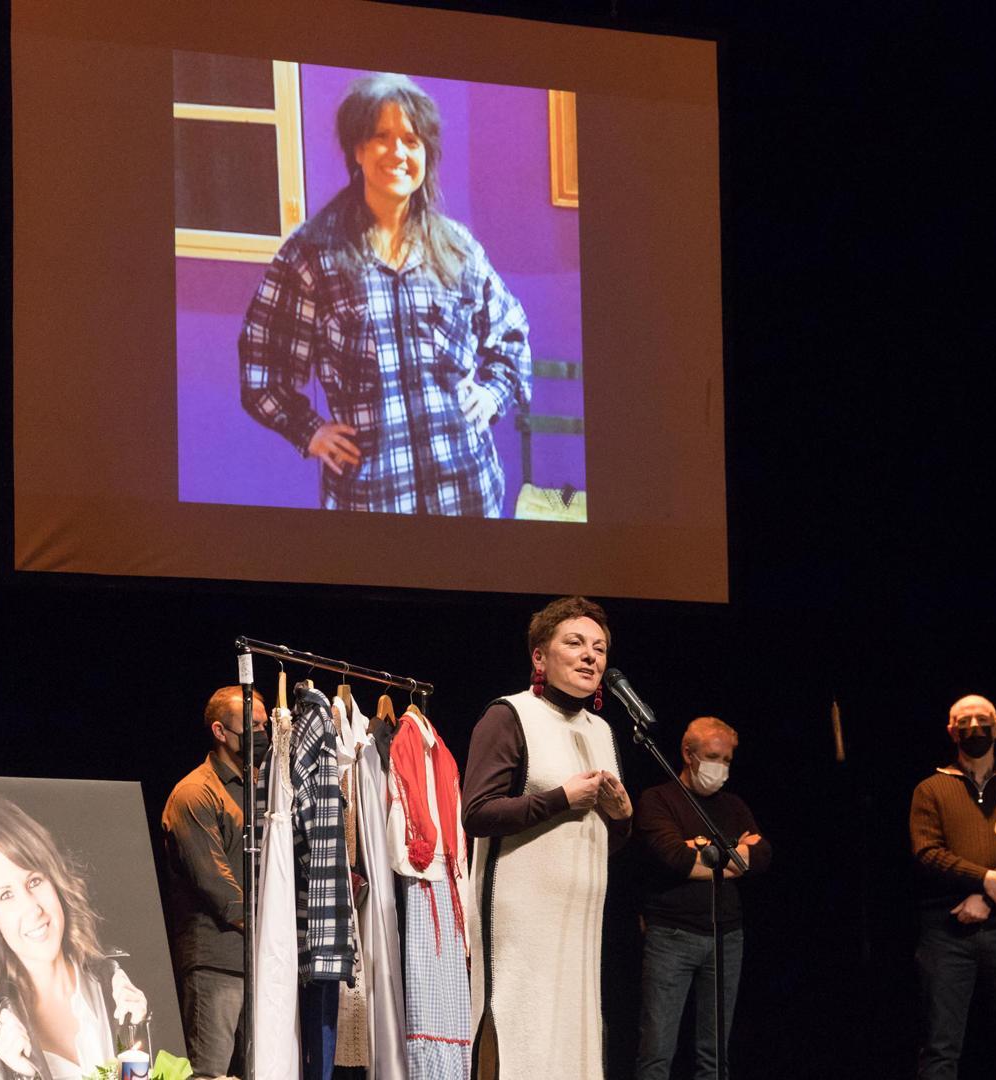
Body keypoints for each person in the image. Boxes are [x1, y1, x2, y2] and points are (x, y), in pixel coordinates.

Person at [239, 72, 533, 517]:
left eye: (412, 141)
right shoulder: (313, 254)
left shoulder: (457, 250)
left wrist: (493, 393)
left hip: (468, 496)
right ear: (357, 150)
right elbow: (262, 364)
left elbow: (511, 335)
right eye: (382, 137)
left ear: (426, 155)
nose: (398, 152)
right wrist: (308, 430)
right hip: (370, 503)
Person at [464, 595, 633, 1079]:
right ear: (540, 656)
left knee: (572, 1042)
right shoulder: (509, 715)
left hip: (580, 917)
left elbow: (599, 840)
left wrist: (621, 818)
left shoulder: (601, 730)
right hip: (521, 917)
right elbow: (477, 813)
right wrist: (561, 798)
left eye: (599, 648)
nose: (590, 657)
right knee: (524, 1034)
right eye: (575, 643)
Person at [0, 795, 150, 1080]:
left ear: (55, 880)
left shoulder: (127, 984)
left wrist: (140, 1029)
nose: (32, 908)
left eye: (34, 880)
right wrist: (22, 1076)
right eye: (6, 895)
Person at [908, 693, 996, 1080]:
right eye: (964, 721)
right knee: (939, 1048)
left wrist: (986, 897)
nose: (974, 726)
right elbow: (927, 852)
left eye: (982, 719)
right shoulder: (930, 789)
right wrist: (985, 878)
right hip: (945, 929)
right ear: (952, 731)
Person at [633, 716, 771, 1080]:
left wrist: (705, 850)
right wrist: (736, 852)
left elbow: (762, 857)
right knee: (656, 1052)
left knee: (715, 1055)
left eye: (726, 760)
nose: (720, 768)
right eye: (712, 757)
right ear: (688, 754)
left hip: (727, 938)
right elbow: (675, 858)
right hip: (671, 937)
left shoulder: (734, 805)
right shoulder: (658, 800)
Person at [160, 686, 266, 1080]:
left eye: (264, 726)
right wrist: (270, 929)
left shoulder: (260, 790)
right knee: (210, 1072)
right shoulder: (195, 793)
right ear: (220, 731)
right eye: (251, 727)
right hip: (217, 961)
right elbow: (215, 884)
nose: (260, 734)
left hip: (258, 961)